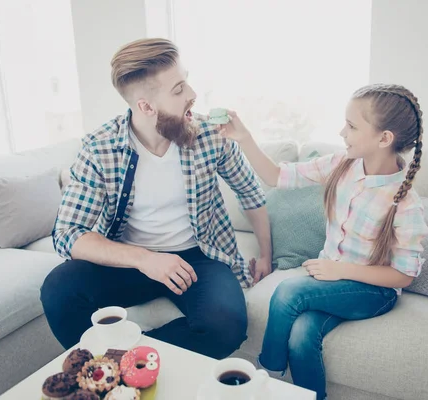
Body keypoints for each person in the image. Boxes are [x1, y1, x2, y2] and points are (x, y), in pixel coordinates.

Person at [40, 38, 272, 359]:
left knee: (225, 327)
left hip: (200, 258)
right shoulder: (99, 148)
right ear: (146, 107)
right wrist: (145, 259)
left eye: (186, 81)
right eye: (178, 89)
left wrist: (265, 254)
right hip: (134, 261)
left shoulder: (209, 135)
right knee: (58, 289)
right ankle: (110, 366)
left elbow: (250, 191)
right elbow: (68, 234)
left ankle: (120, 362)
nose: (192, 94)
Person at [219, 84, 428, 399]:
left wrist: (340, 269)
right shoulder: (340, 165)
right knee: (302, 336)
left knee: (289, 291)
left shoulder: (405, 204)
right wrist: (245, 137)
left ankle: (264, 380)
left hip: (375, 291)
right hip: (331, 279)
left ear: (384, 139)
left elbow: (404, 275)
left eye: (352, 126)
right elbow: (276, 176)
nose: (342, 131)